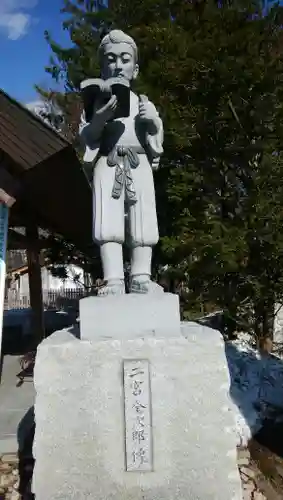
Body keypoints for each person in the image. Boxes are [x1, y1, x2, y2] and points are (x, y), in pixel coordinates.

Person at [79, 30, 164, 296]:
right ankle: (113, 279)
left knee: (143, 221)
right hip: (108, 161)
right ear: (103, 67)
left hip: (138, 162)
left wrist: (154, 121)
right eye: (111, 59)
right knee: (108, 222)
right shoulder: (95, 104)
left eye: (125, 59)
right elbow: (86, 139)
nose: (118, 65)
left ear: (135, 68)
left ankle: (141, 276)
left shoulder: (143, 103)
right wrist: (99, 119)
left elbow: (156, 142)